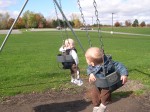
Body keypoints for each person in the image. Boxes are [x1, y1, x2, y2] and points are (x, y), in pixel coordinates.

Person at [84, 47, 128, 112]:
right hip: (98, 82)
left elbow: (120, 66)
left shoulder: (109, 63)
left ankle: (103, 105)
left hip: (107, 82)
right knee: (94, 93)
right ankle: (96, 106)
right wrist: (90, 74)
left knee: (105, 95)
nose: (88, 62)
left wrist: (124, 74)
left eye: (87, 60)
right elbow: (89, 68)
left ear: (93, 63)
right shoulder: (92, 64)